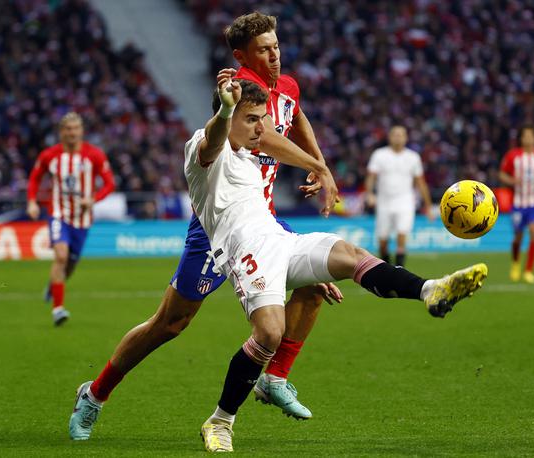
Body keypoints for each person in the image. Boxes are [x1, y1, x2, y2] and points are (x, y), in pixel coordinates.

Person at [67, 12, 337, 440]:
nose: (274, 56)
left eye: (276, 46)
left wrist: (317, 156)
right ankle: (95, 393)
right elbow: (263, 136)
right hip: (219, 227)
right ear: (241, 56)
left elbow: (296, 114)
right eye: (263, 49)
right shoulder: (240, 87)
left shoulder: (285, 86)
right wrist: (318, 166)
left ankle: (275, 378)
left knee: (317, 281)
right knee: (169, 325)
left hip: (262, 219)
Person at [196, 74, 488, 452]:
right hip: (244, 251)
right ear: (230, 115)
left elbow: (281, 151)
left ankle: (431, 290)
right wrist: (225, 109)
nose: (261, 128)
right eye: (252, 119)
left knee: (351, 255)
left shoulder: (252, 164)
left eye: (262, 119)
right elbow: (213, 138)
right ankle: (221, 421)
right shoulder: (203, 151)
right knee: (268, 333)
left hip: (280, 240)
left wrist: (316, 172)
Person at [27, 112, 115, 325]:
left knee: (70, 265)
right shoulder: (50, 155)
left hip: (82, 219)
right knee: (60, 256)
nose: (72, 133)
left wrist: (93, 199)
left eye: (75, 128)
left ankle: (53, 285)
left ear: (82, 131)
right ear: (61, 132)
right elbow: (35, 177)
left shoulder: (94, 155)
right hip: (58, 213)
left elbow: (110, 183)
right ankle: (58, 309)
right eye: (67, 129)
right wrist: (31, 201)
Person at [365, 126, 434, 267]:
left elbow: (421, 183)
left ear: (406, 138)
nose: (398, 137)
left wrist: (428, 206)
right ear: (389, 137)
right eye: (395, 135)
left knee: (401, 237)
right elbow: (371, 177)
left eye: (401, 135)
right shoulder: (379, 155)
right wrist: (369, 194)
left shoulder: (413, 157)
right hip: (383, 202)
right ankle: (387, 270)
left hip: (405, 202)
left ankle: (398, 272)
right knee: (383, 242)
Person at [499, 126, 534, 284]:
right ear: (521, 139)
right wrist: (512, 181)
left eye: (531, 135)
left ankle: (528, 271)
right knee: (518, 238)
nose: (528, 138)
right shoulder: (513, 156)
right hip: (518, 203)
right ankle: (515, 264)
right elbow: (502, 174)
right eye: (525, 136)